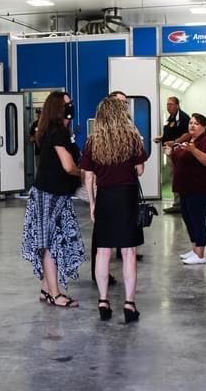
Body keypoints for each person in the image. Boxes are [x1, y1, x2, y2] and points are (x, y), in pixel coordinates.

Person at [81, 97, 148, 323]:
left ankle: (103, 301)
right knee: (128, 252)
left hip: (105, 198)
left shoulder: (93, 141)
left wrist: (92, 203)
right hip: (127, 197)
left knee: (103, 251)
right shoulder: (131, 138)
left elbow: (88, 177)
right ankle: (129, 305)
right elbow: (139, 171)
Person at [21, 91, 85, 307]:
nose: (70, 108)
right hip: (50, 194)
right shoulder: (58, 132)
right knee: (48, 243)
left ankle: (46, 289)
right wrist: (85, 174)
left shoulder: (54, 131)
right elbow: (68, 166)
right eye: (67, 105)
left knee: (52, 239)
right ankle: (55, 294)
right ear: (58, 108)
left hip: (55, 195)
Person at [89, 90, 128, 284]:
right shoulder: (98, 137)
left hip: (116, 192)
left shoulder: (128, 132)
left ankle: (103, 297)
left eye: (125, 103)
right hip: (106, 191)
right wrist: (92, 200)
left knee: (118, 245)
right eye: (120, 103)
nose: (124, 107)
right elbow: (139, 168)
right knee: (103, 244)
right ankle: (103, 283)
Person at [171, 114, 206, 265]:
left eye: (196, 124)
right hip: (185, 188)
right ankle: (195, 249)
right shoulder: (189, 140)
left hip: (199, 188)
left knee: (197, 220)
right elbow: (180, 160)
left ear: (203, 126)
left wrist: (193, 150)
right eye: (190, 123)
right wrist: (170, 153)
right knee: (188, 218)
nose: (192, 126)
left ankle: (200, 254)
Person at [154, 96, 190, 213]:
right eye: (167, 104)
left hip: (178, 152)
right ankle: (177, 202)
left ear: (177, 105)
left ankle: (180, 203)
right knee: (173, 176)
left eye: (170, 104)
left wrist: (175, 142)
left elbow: (188, 134)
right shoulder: (170, 118)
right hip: (169, 152)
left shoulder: (183, 118)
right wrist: (161, 138)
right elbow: (170, 133)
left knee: (178, 176)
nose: (168, 106)